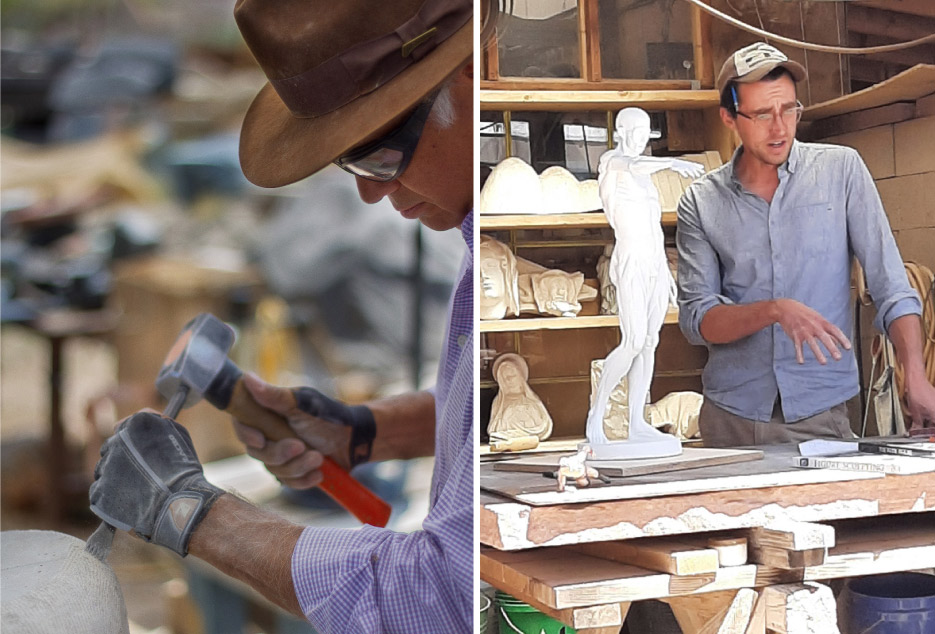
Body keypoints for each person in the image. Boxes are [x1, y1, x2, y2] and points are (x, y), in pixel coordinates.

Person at [89, 1, 475, 632]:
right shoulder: (471, 229)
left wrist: (190, 512)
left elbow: (444, 598)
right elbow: (489, 419)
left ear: (468, 74)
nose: (370, 192)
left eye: (379, 153)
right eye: (349, 163)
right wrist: (367, 430)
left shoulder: (527, 236)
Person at [676, 42, 935, 447]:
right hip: (732, 419)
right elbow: (698, 319)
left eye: (789, 110)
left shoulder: (841, 171)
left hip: (820, 414)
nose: (779, 128)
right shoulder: (701, 202)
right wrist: (775, 311)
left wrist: (915, 377)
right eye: (762, 114)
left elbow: (892, 288)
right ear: (729, 117)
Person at [586, 107, 702, 458]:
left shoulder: (643, 176)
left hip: (652, 259)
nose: (640, 140)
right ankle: (597, 414)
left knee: (650, 341)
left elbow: (653, 227)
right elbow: (632, 165)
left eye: (645, 133)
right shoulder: (613, 162)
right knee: (633, 340)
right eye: (634, 133)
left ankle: (636, 421)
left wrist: (667, 273)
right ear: (621, 132)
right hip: (632, 259)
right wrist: (673, 163)